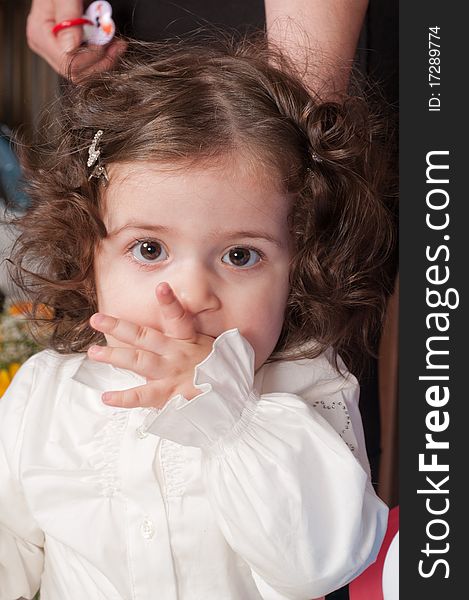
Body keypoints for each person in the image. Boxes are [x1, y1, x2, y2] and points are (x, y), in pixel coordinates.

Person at [0, 38, 392, 600]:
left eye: (240, 255)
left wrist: (227, 418)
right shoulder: (43, 394)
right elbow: (12, 545)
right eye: (150, 249)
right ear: (89, 256)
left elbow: (319, 564)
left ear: (299, 268)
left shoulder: (308, 388)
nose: (191, 292)